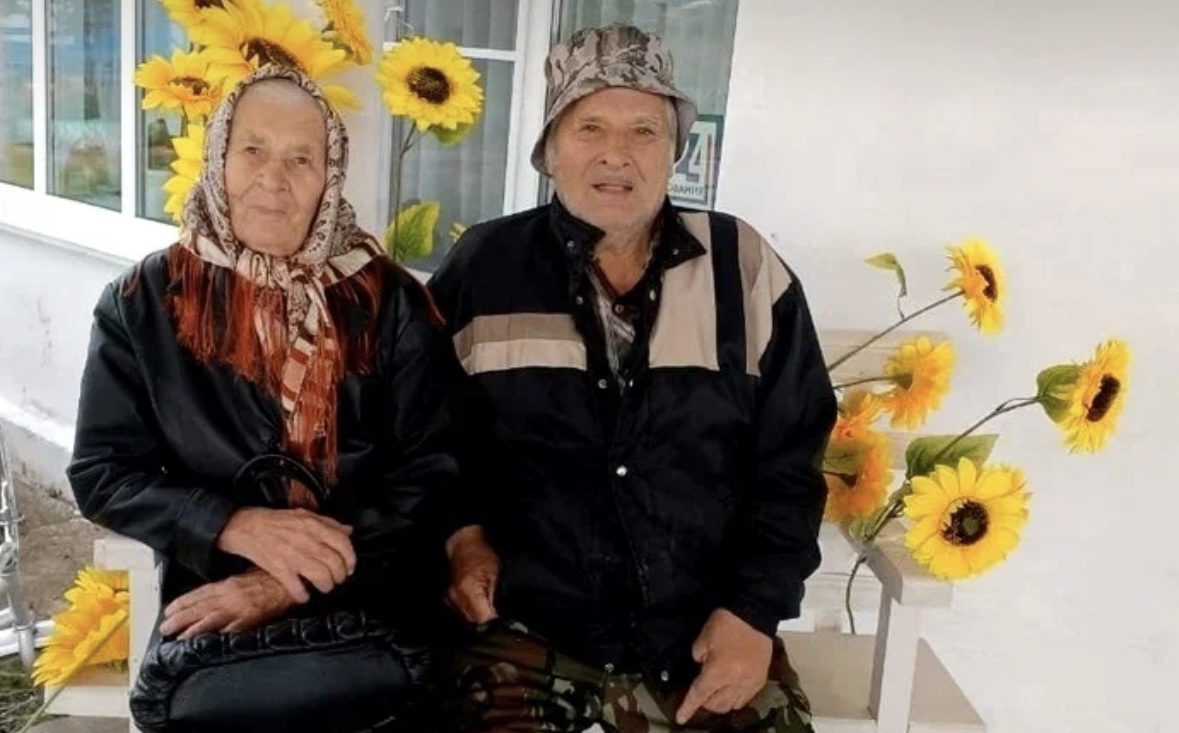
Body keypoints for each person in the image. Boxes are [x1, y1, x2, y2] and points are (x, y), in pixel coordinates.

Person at [430, 23, 837, 733]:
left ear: (674, 151)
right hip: (525, 628)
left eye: (644, 131)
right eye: (590, 126)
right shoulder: (484, 268)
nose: (616, 153)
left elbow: (790, 460)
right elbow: (429, 437)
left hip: (702, 630)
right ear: (550, 150)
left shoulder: (742, 267)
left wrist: (752, 612)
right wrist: (463, 539)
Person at [68, 65, 455, 732]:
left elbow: (435, 473)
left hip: (373, 592)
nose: (273, 179)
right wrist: (231, 525)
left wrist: (286, 579)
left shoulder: (389, 303)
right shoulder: (144, 303)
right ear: (218, 158)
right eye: (253, 150)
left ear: (329, 177)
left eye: (301, 159)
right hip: (213, 595)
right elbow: (103, 473)